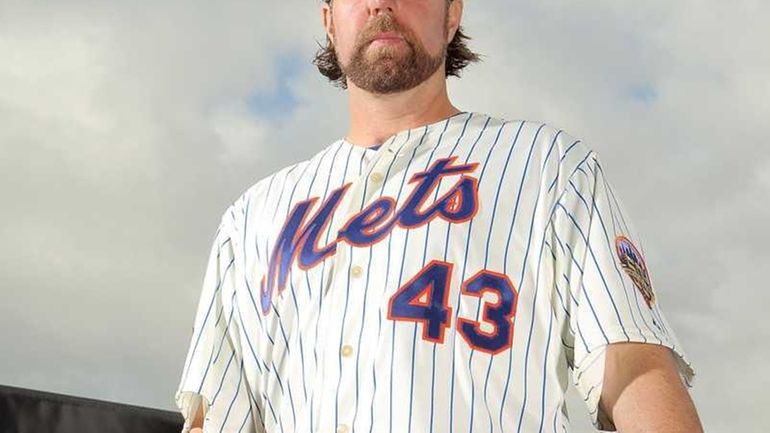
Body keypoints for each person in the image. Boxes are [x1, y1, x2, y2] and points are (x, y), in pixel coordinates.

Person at [174, 0, 703, 432]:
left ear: (453, 14)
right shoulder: (252, 220)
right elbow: (216, 419)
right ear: (329, 18)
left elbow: (634, 373)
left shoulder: (549, 168)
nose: (382, 3)